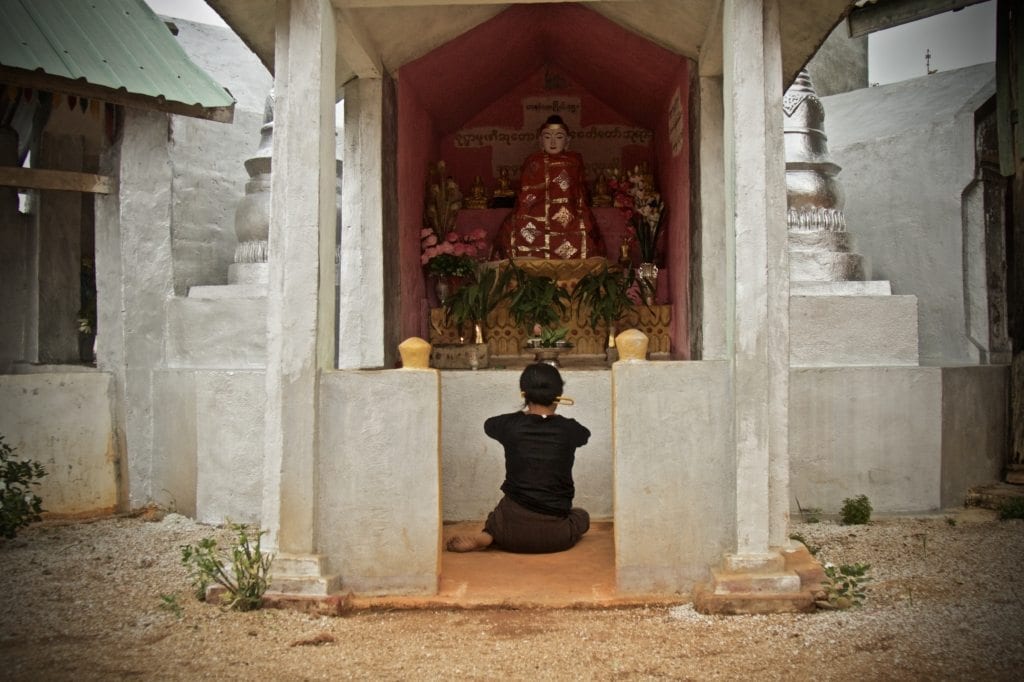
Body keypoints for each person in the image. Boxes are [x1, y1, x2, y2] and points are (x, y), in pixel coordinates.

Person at [445, 363, 591, 554]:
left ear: (524, 393)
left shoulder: (510, 426)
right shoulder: (569, 429)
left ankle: (488, 535)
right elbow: (584, 435)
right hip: (556, 534)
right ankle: (497, 534)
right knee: (582, 516)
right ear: (558, 395)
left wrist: (525, 414)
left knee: (502, 511)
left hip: (510, 530)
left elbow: (489, 425)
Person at [494, 115, 604, 260]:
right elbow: (526, 192)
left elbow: (579, 193)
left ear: (567, 141)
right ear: (540, 141)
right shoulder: (533, 161)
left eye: (558, 137)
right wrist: (525, 211)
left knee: (584, 234)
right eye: (547, 137)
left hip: (568, 214)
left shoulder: (573, 161)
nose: (552, 142)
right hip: (535, 212)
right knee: (513, 229)